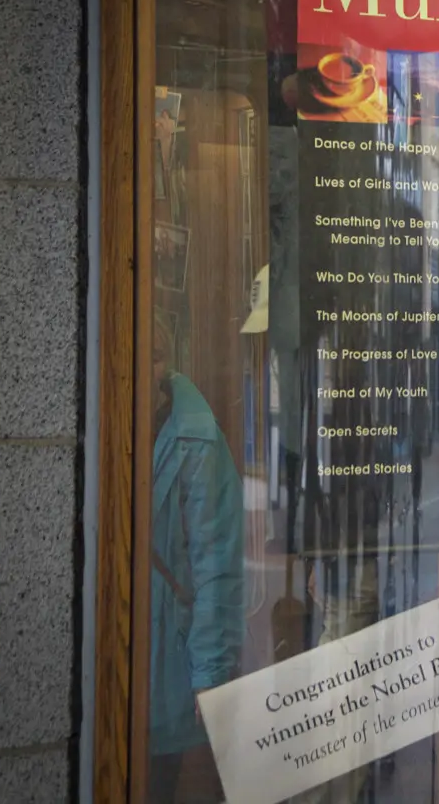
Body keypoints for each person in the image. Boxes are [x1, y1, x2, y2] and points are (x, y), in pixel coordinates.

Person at [148, 325, 244, 803]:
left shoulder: (196, 440)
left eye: (156, 356)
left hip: (166, 659)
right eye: (138, 356)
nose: (147, 370)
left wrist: (208, 674)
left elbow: (216, 565)